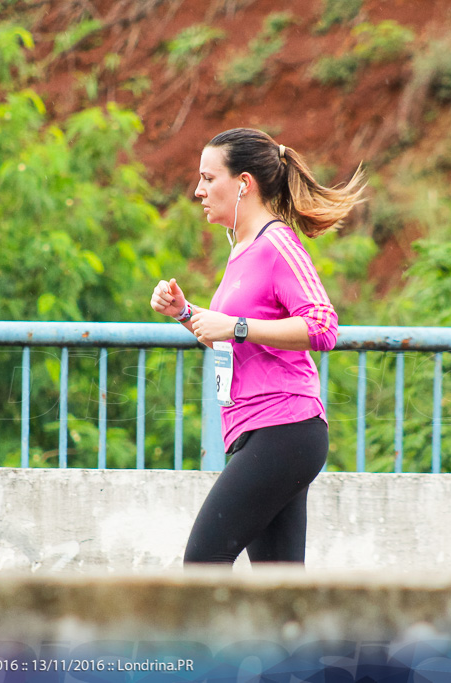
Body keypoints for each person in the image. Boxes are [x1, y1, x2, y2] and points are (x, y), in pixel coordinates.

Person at [149, 128, 367, 566]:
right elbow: (230, 334)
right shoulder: (242, 251)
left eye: (209, 179)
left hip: (285, 429)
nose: (198, 190)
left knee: (203, 562)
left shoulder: (277, 244)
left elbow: (323, 326)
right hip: (252, 430)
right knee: (279, 592)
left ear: (244, 183)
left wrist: (237, 326)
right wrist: (184, 312)